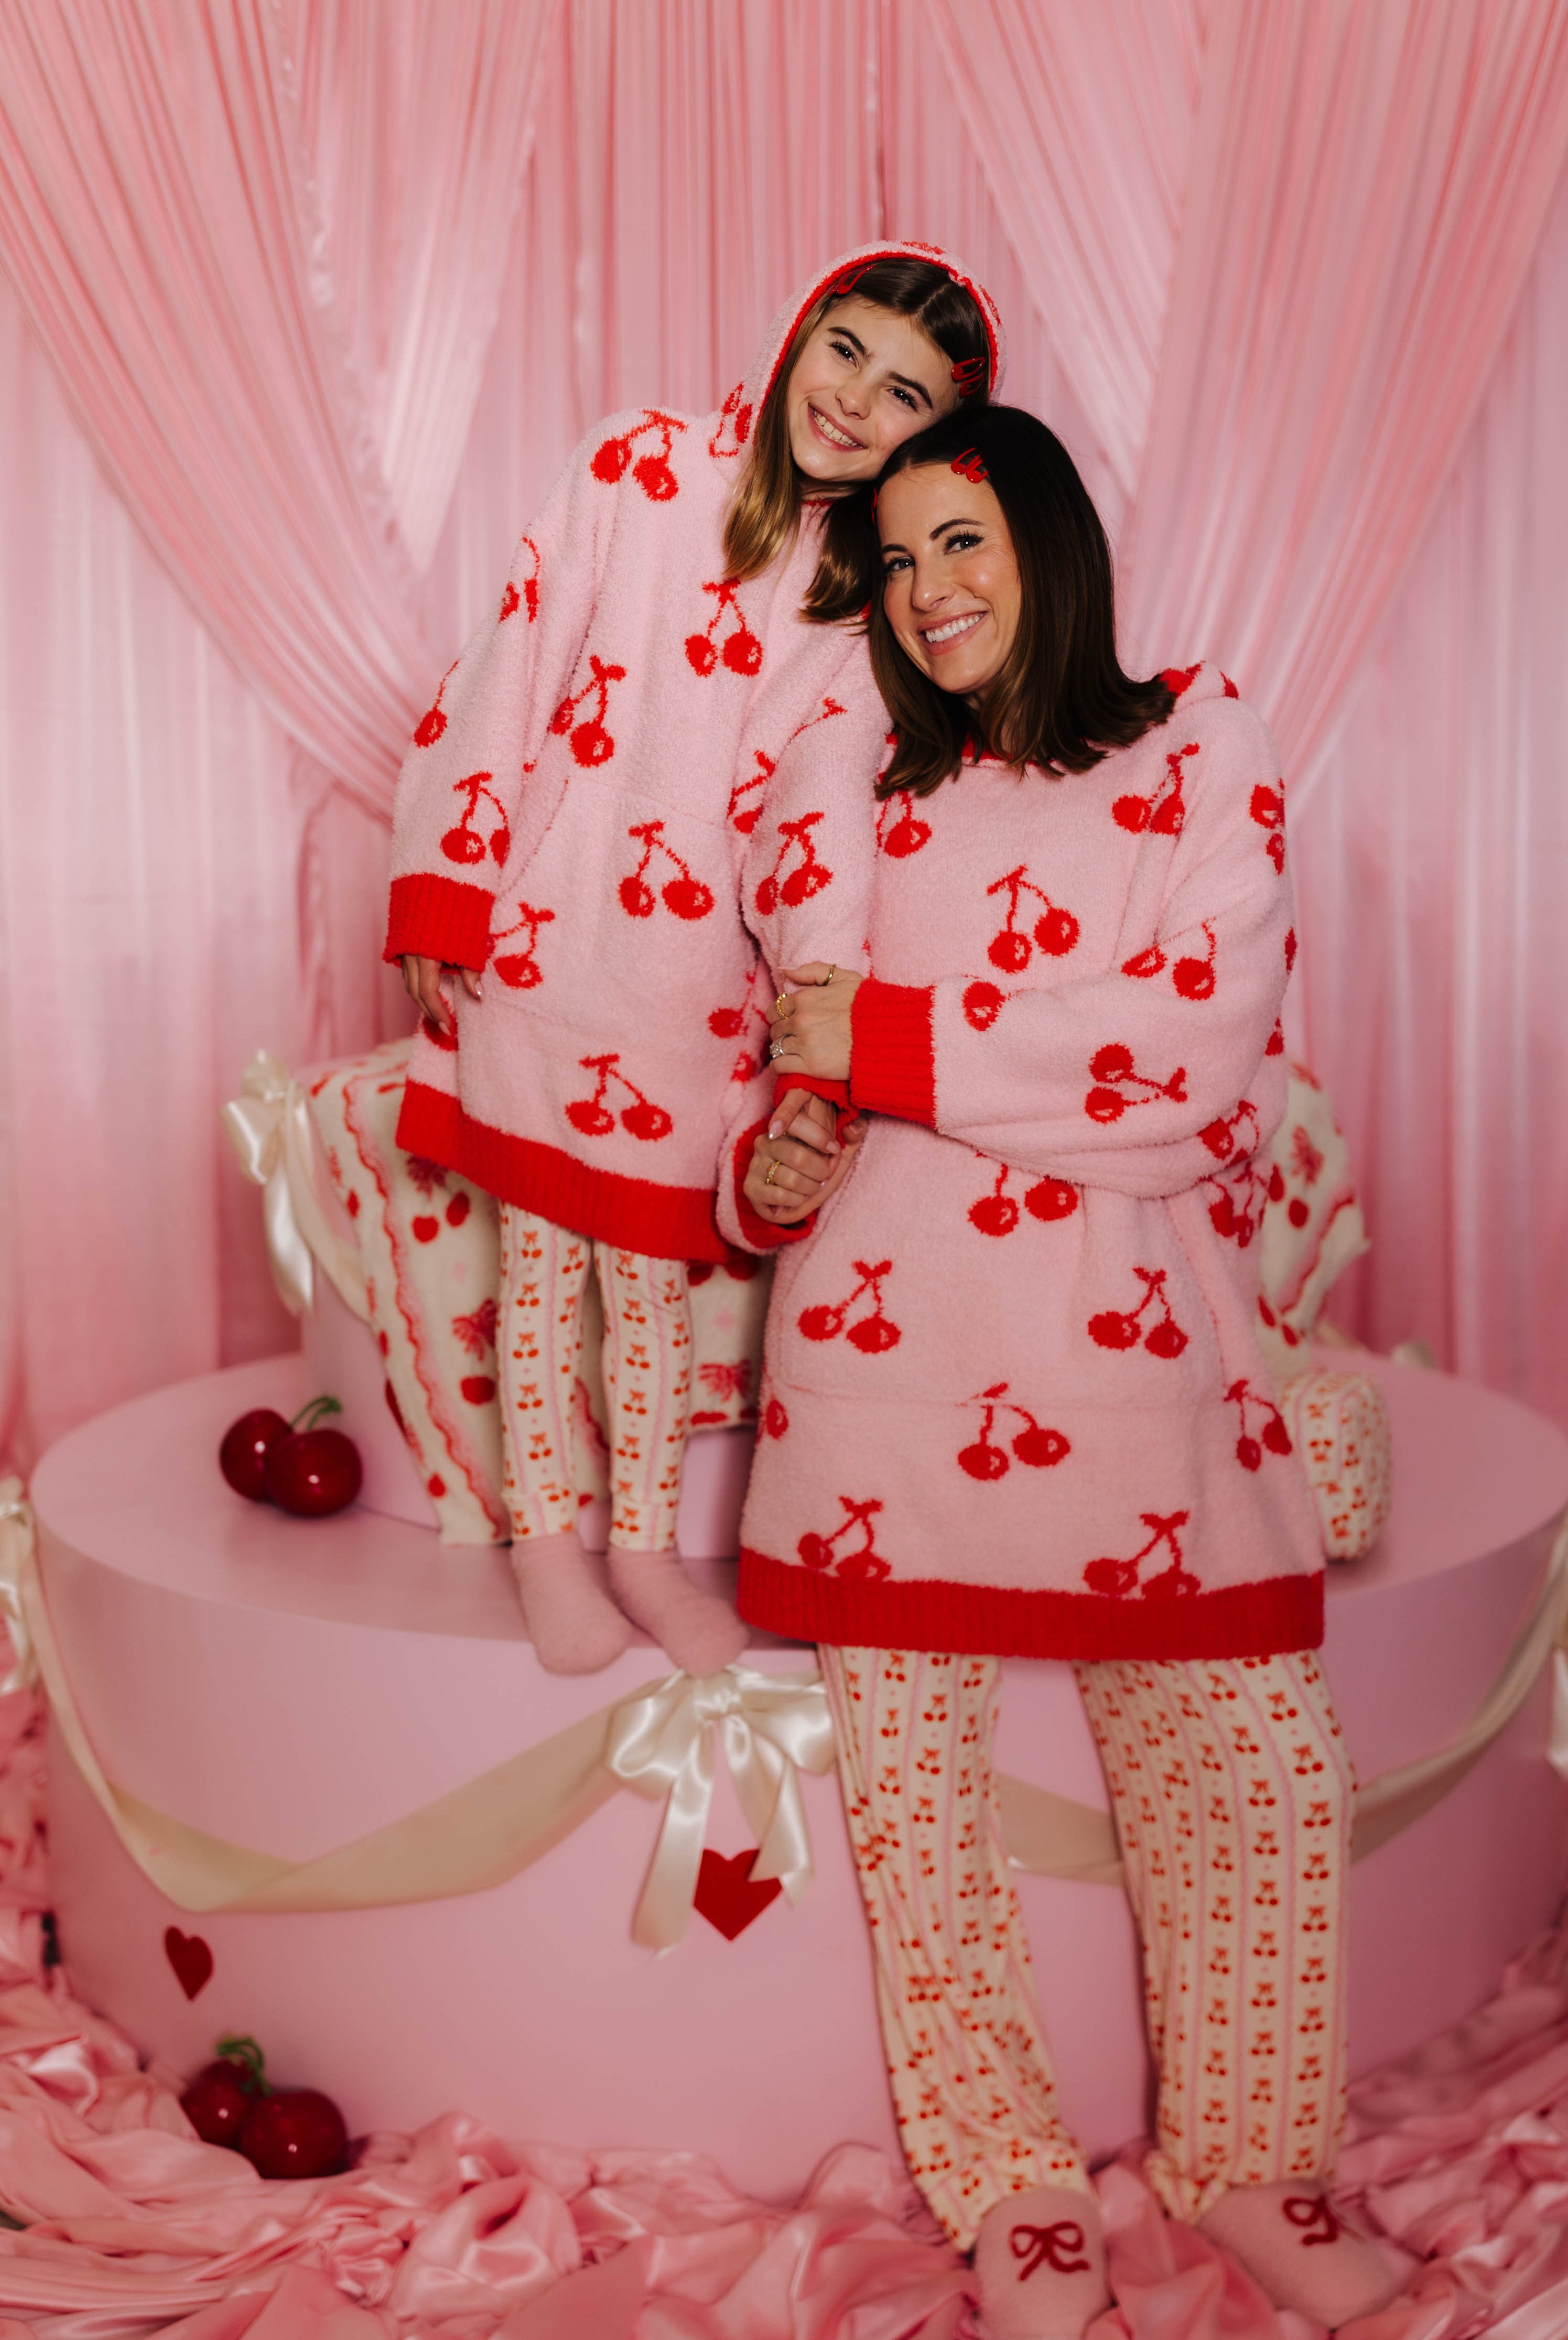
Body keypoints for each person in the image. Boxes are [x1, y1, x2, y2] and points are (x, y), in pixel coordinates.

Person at [726, 406, 1400, 2338]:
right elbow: (797, 1077)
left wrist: (897, 1045)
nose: (931, 594)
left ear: (1051, 542)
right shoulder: (867, 797)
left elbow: (1191, 1072)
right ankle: (1009, 2182)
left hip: (1144, 1381)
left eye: (967, 544)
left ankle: (1254, 2165)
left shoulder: (1203, 745)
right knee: (913, 1816)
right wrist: (774, 1158)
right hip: (880, 1370)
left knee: (1259, 1779)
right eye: (902, 560)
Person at [383, 245, 1003, 1676]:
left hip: (688, 1001)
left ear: (938, 436)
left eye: (905, 394)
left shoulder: (867, 613)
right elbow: (513, 663)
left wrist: (822, 1001)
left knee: (648, 1298)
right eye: (845, 350)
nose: (854, 399)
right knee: (541, 1277)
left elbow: (821, 821)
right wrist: (446, 889)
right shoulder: (638, 468)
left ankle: (646, 1555)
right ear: (801, 331)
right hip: (544, 950)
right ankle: (551, 1543)